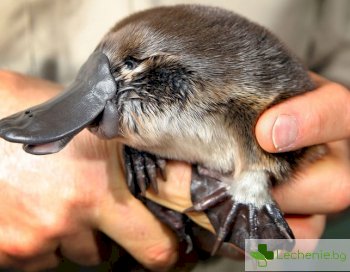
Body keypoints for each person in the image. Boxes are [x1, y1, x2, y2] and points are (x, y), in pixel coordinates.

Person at [0, 0, 349, 271]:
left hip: (229, 264)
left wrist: (331, 153)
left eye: (131, 67)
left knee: (293, 254)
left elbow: (339, 74)